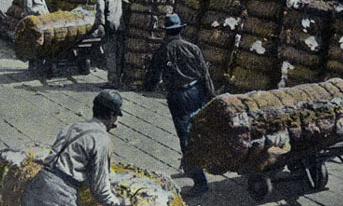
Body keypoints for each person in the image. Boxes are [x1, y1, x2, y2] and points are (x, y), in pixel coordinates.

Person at [145, 13, 214, 198]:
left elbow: (151, 78)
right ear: (180, 30)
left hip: (178, 96)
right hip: (197, 91)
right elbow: (205, 74)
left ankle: (200, 181)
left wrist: (151, 86)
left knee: (185, 136)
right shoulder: (193, 48)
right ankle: (195, 164)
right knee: (200, 129)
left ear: (166, 32)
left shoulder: (163, 51)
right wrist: (211, 97)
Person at [21, 90, 128, 206]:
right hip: (60, 194)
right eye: (116, 116)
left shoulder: (73, 127)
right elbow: (100, 189)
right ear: (111, 115)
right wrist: (117, 203)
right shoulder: (102, 140)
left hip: (37, 184)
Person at [92, 0, 127, 89]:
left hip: (110, 27)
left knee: (110, 55)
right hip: (120, 26)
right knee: (119, 54)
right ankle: (119, 79)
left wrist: (100, 25)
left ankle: (113, 81)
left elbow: (100, 12)